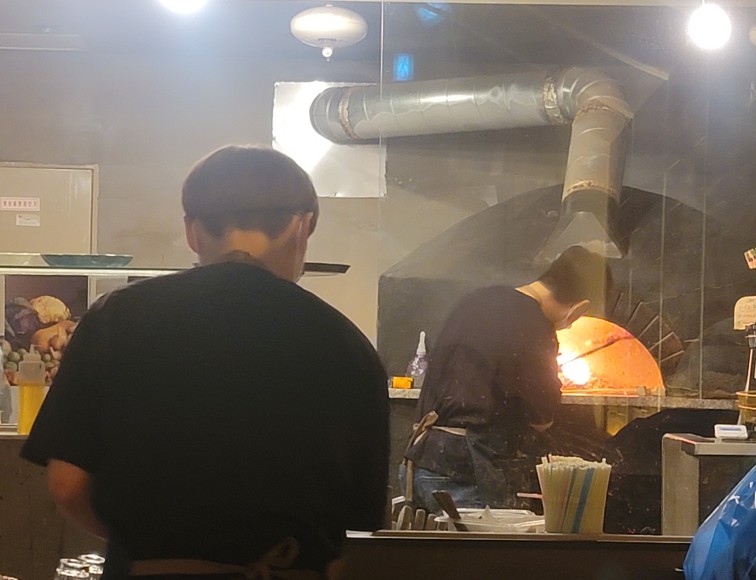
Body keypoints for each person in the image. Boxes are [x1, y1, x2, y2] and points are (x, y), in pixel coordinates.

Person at [21, 145, 390, 579]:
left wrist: (150, 549)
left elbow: (68, 488)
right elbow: (359, 524)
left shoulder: (117, 319)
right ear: (303, 226)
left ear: (193, 231)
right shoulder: (347, 346)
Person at [401, 246, 611, 512]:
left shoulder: (477, 300)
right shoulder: (534, 322)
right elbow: (542, 415)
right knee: (486, 554)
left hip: (423, 458)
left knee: (439, 554)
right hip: (467, 469)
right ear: (580, 308)